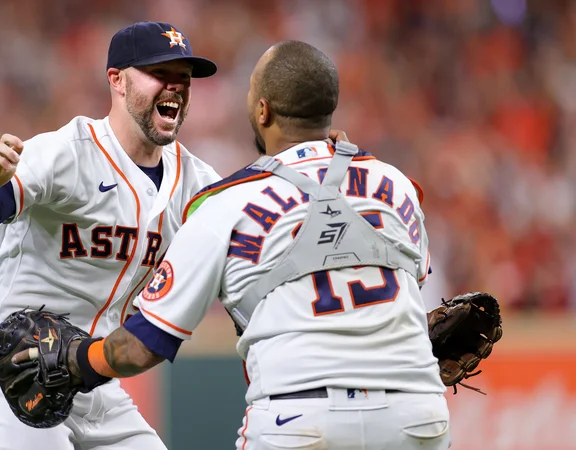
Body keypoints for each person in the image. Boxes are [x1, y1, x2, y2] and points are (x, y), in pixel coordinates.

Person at [55, 40, 452, 449]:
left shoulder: (225, 204)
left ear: (263, 110)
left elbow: (141, 347)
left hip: (300, 420)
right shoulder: (397, 184)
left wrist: (76, 361)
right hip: (416, 415)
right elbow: (408, 289)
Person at [0, 21, 223, 450]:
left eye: (183, 79)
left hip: (91, 381)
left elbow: (250, 240)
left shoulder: (197, 182)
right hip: (9, 373)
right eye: (160, 75)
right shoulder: (66, 152)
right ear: (116, 79)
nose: (174, 88)